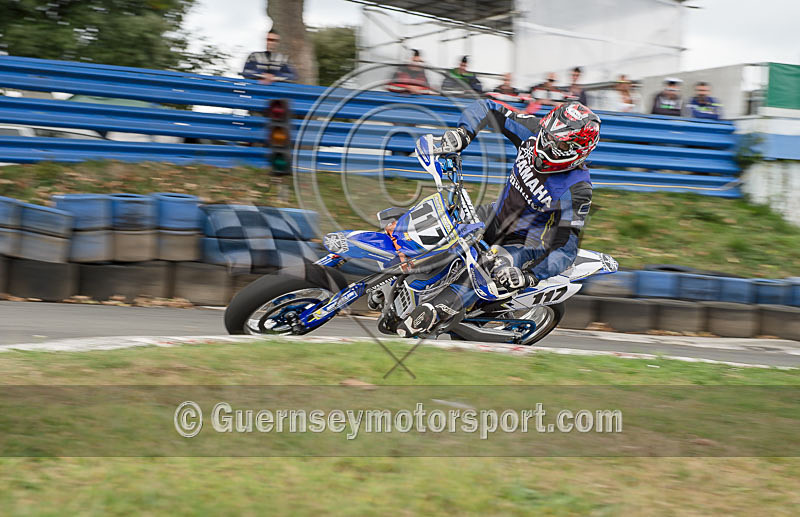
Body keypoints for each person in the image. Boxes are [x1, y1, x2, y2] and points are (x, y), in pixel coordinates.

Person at [397, 99, 600, 337]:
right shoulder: (533, 132)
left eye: (557, 145)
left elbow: (565, 249)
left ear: (577, 151)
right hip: (496, 214)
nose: (545, 147)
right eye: (547, 136)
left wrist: (529, 276)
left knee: (483, 271)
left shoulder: (577, 189)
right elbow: (487, 107)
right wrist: (463, 133)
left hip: (524, 243)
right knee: (444, 226)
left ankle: (433, 313)